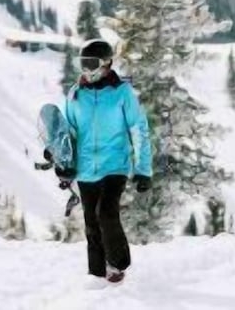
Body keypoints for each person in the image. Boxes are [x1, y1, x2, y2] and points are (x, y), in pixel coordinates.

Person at [62, 38, 152, 284]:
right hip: (85, 169)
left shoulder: (122, 92)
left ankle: (119, 263)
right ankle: (97, 277)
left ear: (106, 64)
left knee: (106, 212)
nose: (86, 70)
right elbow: (67, 132)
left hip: (115, 165)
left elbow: (139, 129)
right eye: (83, 64)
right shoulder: (75, 94)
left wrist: (144, 169)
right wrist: (62, 162)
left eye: (91, 64)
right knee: (91, 225)